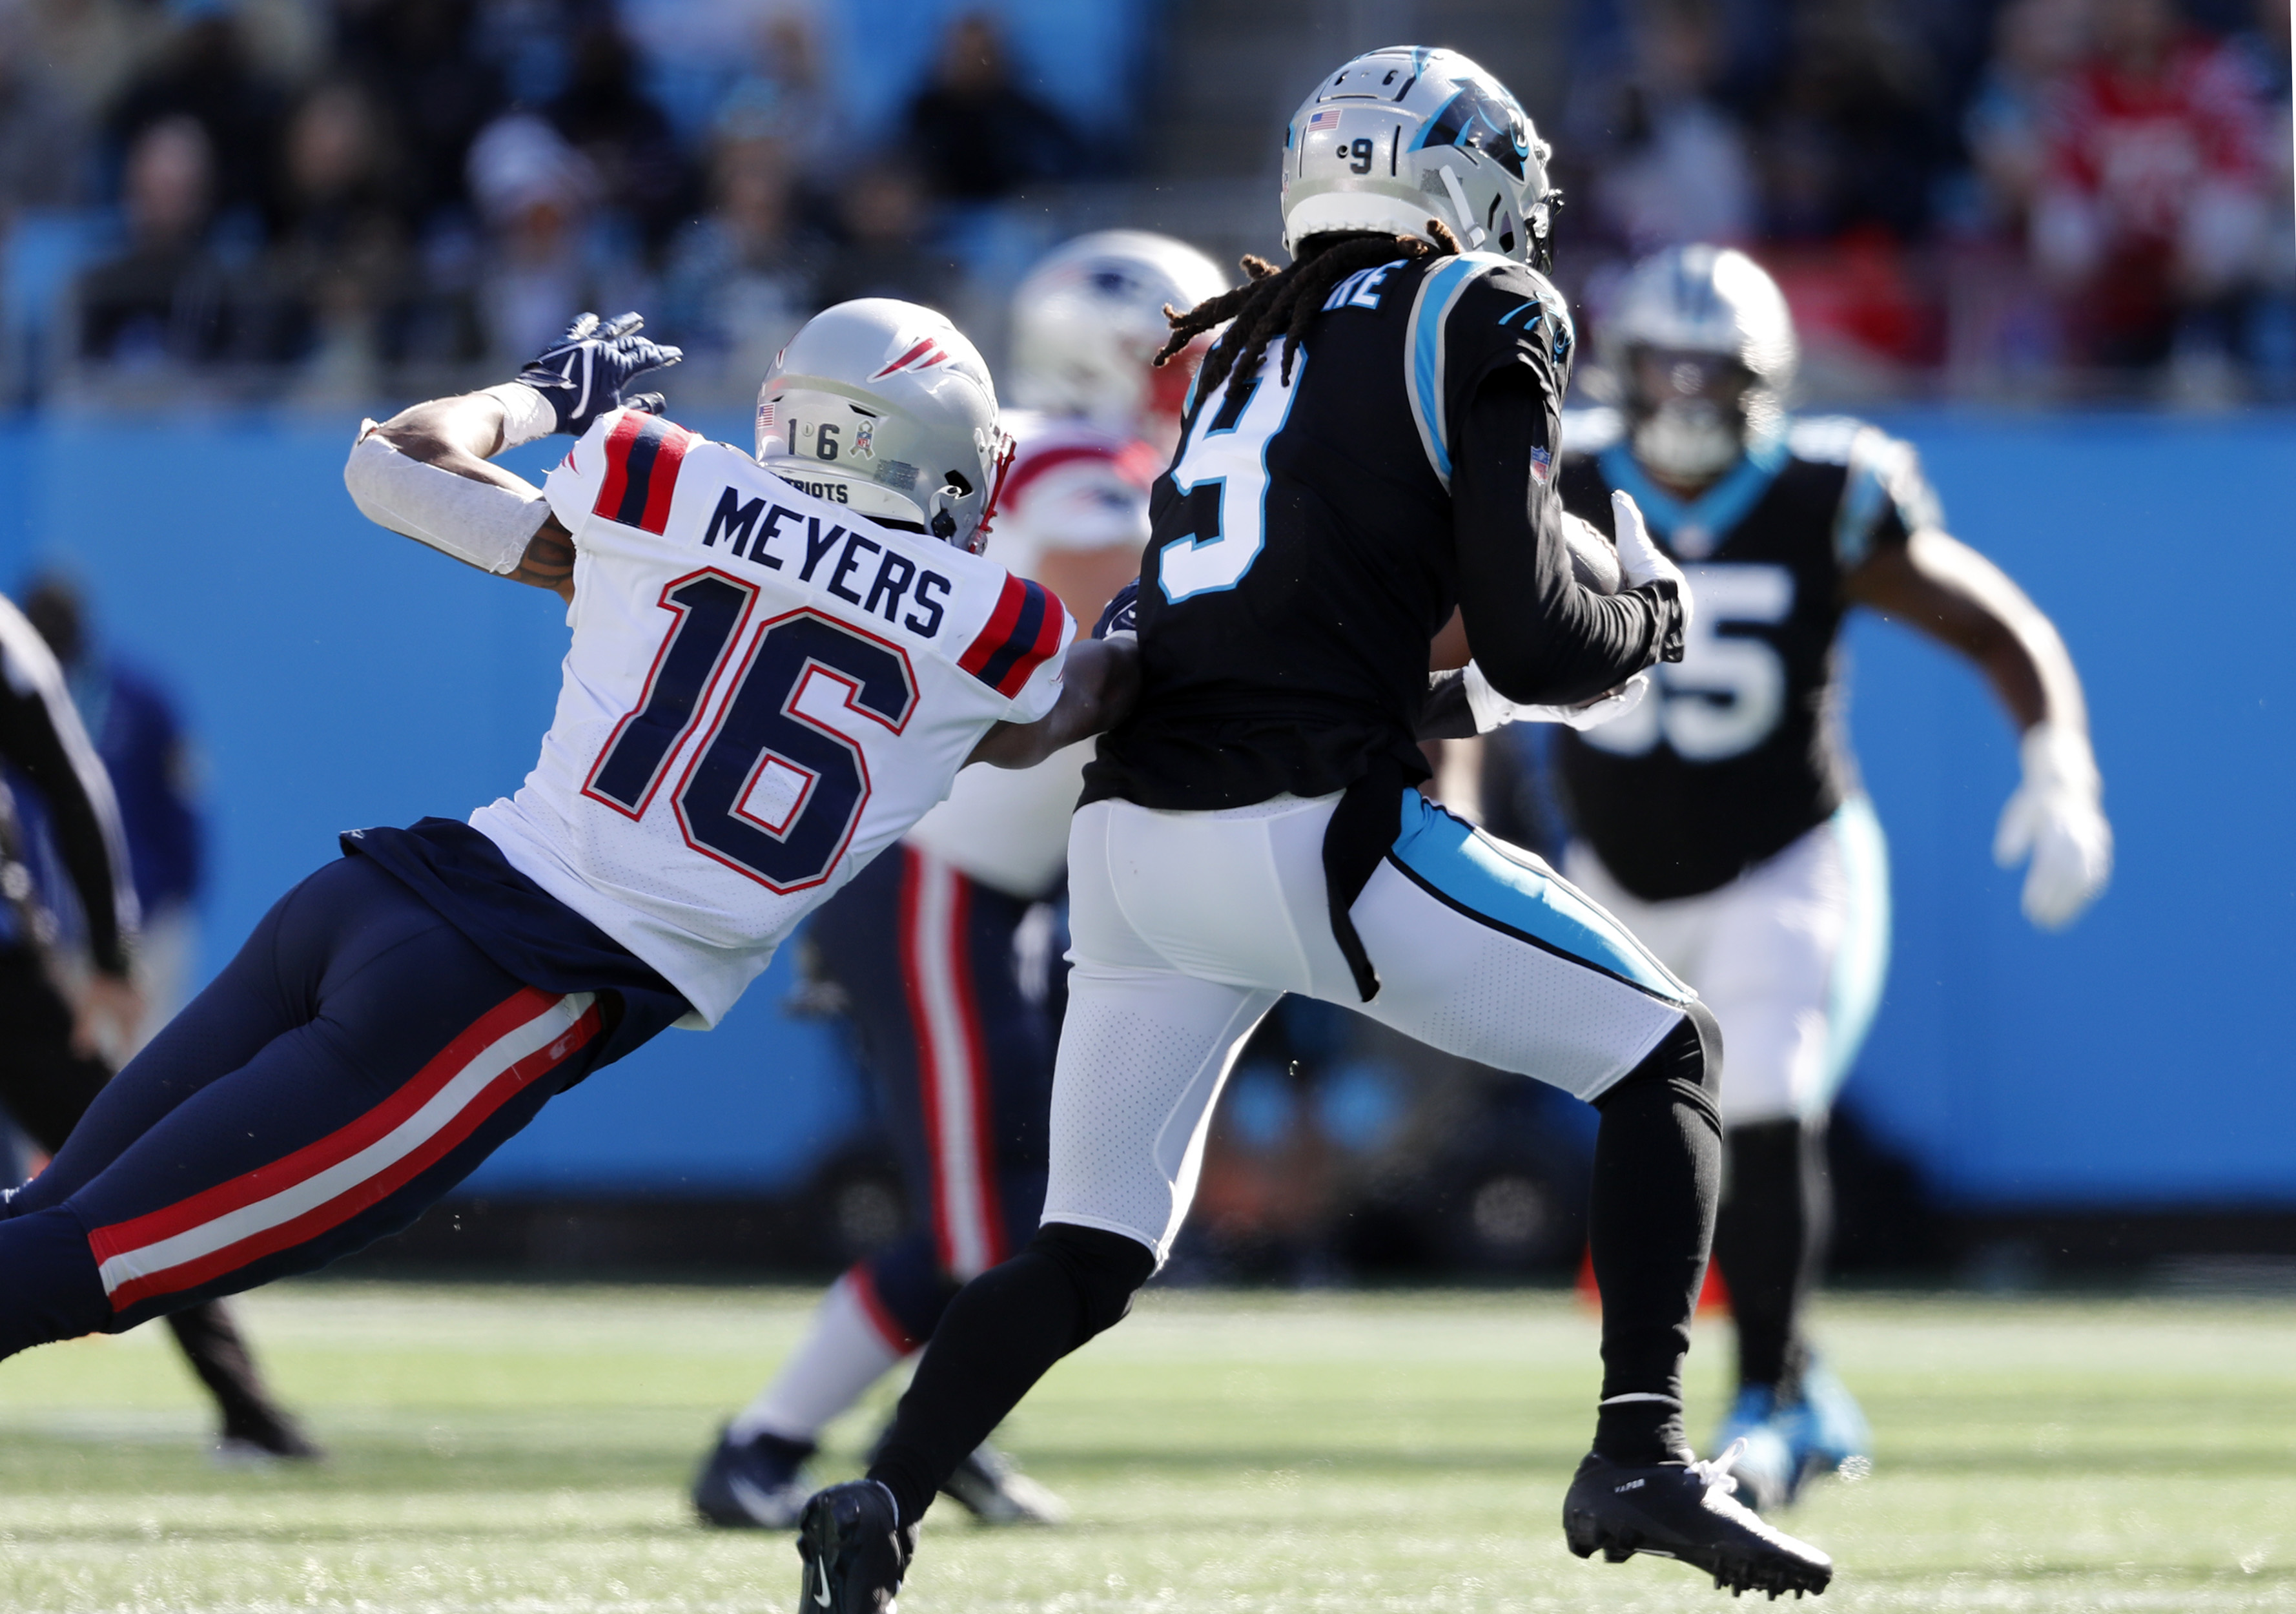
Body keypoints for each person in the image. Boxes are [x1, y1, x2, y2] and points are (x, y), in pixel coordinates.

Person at [796, 48, 1834, 1607]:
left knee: (1084, 1248)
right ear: (1459, 176)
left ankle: (877, 1498)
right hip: (1303, 832)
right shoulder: (1479, 308)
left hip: (1135, 854)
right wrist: (1644, 618)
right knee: (1667, 1054)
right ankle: (1639, 1447)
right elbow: (1538, 634)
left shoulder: (1239, 353)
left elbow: (1302, 641)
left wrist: (1511, 685)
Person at [0, 304, 1137, 1381]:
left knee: (47, 1227)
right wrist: (1173, 609)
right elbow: (1071, 707)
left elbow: (393, 465)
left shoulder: (664, 485)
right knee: (88, 1267)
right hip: (503, 997)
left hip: (373, 900)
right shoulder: (991, 629)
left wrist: (544, 394)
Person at [1549, 243, 2111, 1509]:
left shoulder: (1820, 490)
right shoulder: (1560, 477)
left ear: (1766, 379)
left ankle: (1763, 1403)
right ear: (1623, 369)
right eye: (1665, 366)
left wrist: (2055, 761)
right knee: (1648, 1136)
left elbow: (1989, 622)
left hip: (1782, 849)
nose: (1687, 394)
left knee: (1765, 1092)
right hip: (1614, 858)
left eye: (1715, 370)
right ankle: (1773, 1375)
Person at [690, 231, 1225, 1533]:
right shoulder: (1079, 461)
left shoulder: (1063, 454)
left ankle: (946, 1432)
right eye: (1190, 342)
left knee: (1022, 1198)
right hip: (939, 876)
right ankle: (761, 1443)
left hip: (986, 885)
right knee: (977, 1210)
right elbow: (1124, 611)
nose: (1207, 368)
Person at [0, 586, 313, 1459]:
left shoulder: (115, 685)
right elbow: (70, 784)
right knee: (130, 1175)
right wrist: (108, 953)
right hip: (14, 968)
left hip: (17, 972)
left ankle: (245, 1405)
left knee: (127, 1167)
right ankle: (246, 1407)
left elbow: (75, 789)